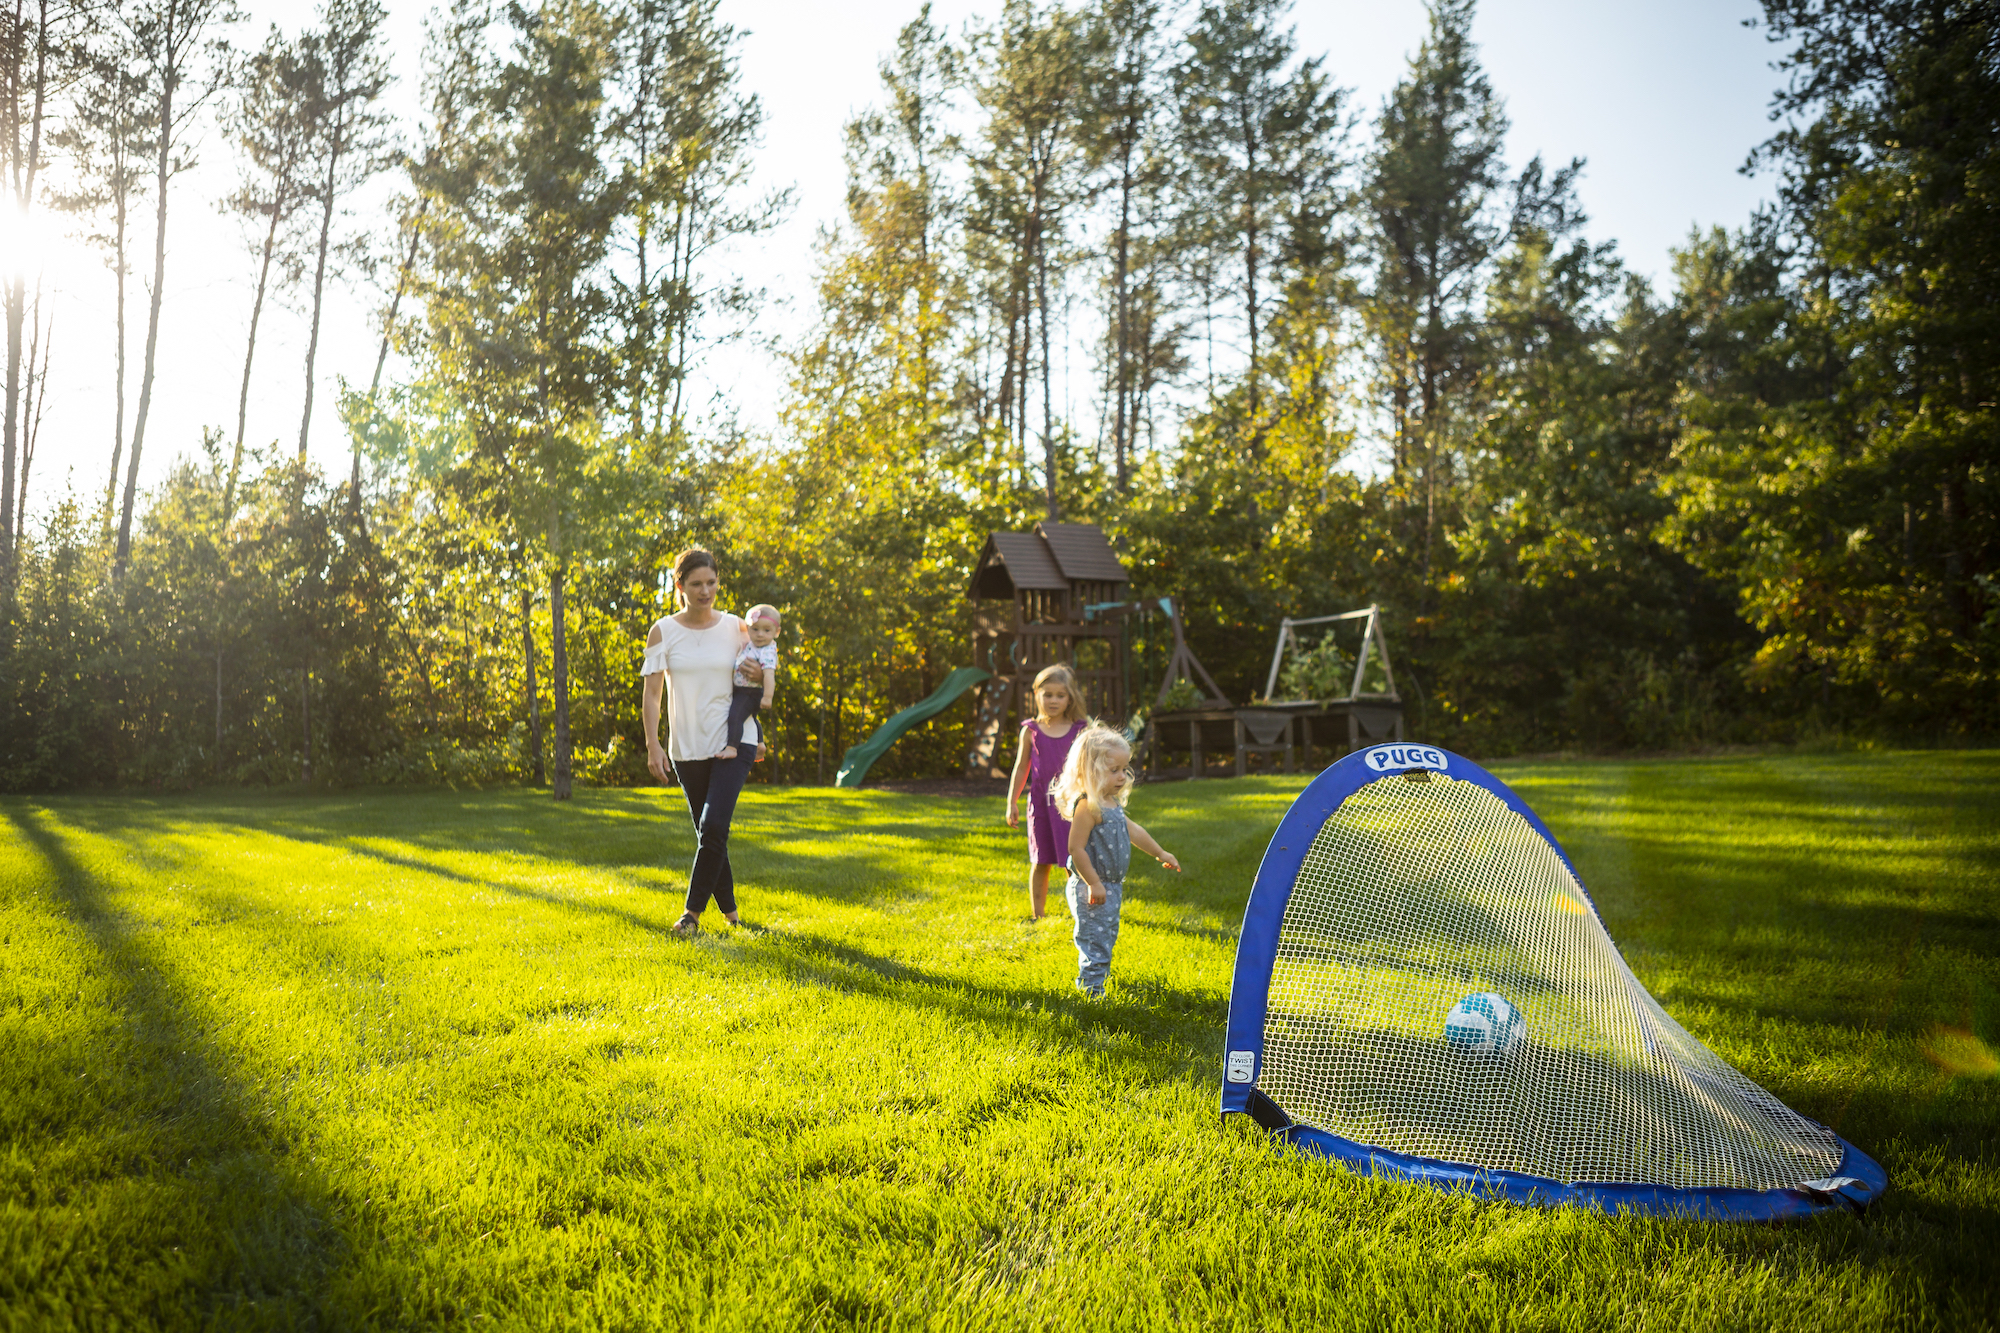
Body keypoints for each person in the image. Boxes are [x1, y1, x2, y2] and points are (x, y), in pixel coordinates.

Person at [642, 549, 766, 937]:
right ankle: (732, 916)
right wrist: (653, 745)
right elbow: (652, 695)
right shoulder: (663, 630)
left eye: (711, 583)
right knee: (708, 834)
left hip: (734, 741)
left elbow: (754, 682)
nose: (705, 591)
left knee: (713, 826)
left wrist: (758, 723)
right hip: (687, 747)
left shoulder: (736, 628)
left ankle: (690, 916)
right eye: (696, 584)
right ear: (679, 586)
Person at [1052, 723, 1180, 997]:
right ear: (1091, 771)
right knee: (1094, 939)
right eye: (1114, 771)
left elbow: (1134, 831)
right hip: (1092, 887)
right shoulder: (1088, 806)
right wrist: (1094, 883)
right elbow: (1076, 849)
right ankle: (1091, 991)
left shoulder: (1111, 803)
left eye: (1124, 769)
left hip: (1110, 886)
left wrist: (1161, 853)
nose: (1122, 776)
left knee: (1106, 935)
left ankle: (1098, 979)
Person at [1004, 664, 1087, 920]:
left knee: (1073, 860)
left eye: (1060, 695)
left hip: (1072, 806)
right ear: (1036, 694)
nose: (1053, 700)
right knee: (1041, 861)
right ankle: (1037, 915)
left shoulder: (1080, 729)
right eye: (1047, 694)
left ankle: (1081, 914)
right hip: (1040, 805)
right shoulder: (1030, 731)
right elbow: (1020, 769)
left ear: (1070, 697)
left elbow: (1090, 767)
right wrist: (1011, 802)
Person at [717, 604, 780, 761]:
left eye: (766, 630)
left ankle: (732, 747)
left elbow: (769, 675)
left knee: (735, 716)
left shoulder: (767, 651)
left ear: (776, 632)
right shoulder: (752, 645)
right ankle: (759, 743)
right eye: (755, 629)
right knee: (750, 717)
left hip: (750, 692)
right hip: (742, 689)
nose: (760, 634)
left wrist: (767, 697)